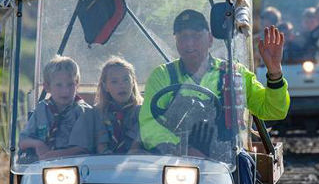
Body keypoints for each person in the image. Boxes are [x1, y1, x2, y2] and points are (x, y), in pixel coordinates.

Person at [138, 9, 289, 156]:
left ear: (210, 39)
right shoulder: (162, 75)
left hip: (227, 162)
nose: (189, 43)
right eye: (183, 37)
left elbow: (274, 111)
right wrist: (178, 148)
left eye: (196, 36)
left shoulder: (235, 73)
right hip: (175, 161)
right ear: (176, 41)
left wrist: (275, 71)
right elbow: (149, 123)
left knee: (244, 166)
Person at [18, 55, 91, 161]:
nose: (65, 91)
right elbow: (22, 141)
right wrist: (37, 144)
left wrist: (52, 155)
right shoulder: (41, 109)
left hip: (75, 166)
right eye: (59, 85)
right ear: (47, 87)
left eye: (70, 84)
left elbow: (84, 148)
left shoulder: (83, 112)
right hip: (42, 166)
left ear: (77, 84)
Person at [66, 57, 143, 155]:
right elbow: (98, 145)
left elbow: (138, 143)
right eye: (114, 82)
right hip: (103, 163)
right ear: (105, 86)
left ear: (133, 82)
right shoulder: (95, 113)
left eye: (126, 80)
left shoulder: (142, 112)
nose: (122, 85)